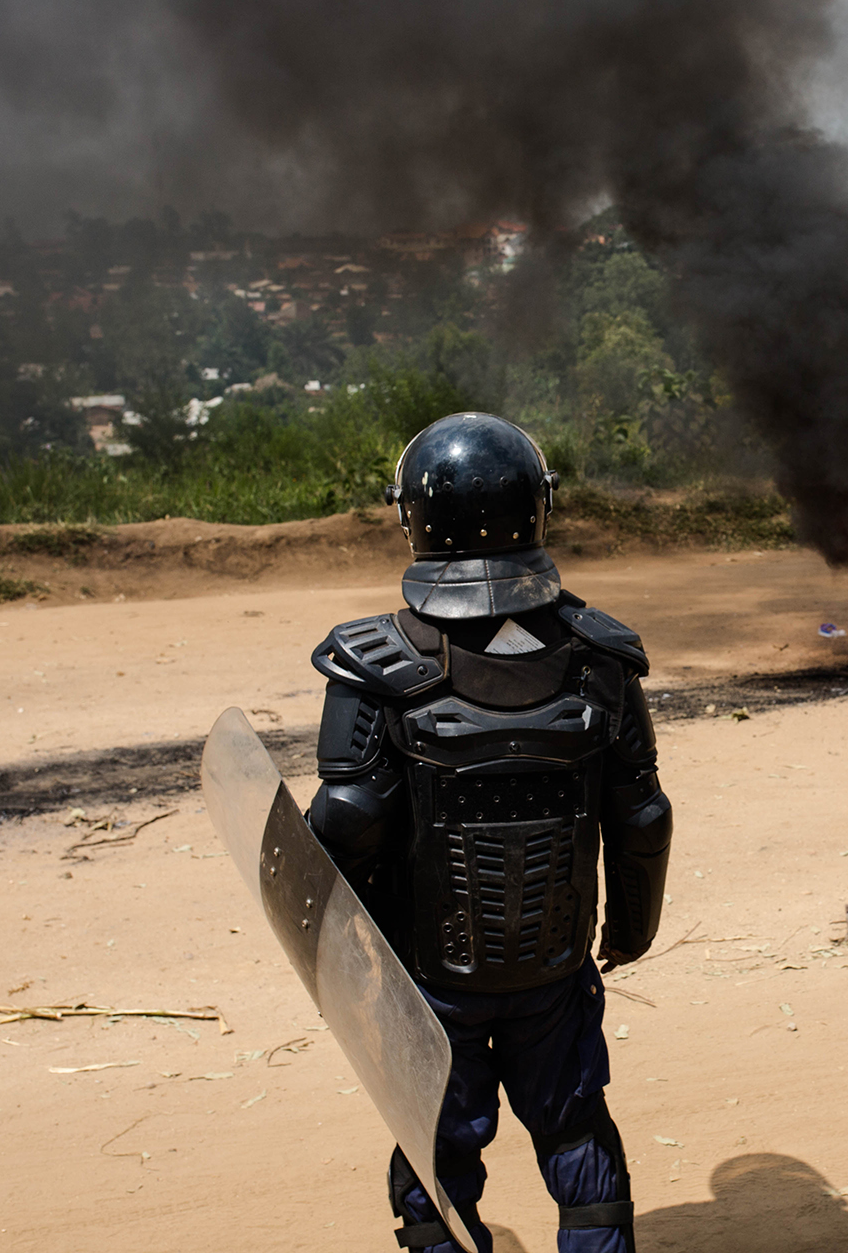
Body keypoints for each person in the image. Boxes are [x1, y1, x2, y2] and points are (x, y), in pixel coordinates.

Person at [306, 412, 673, 1253]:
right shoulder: (600, 655)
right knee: (577, 1134)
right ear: (539, 506)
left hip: (431, 983)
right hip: (553, 967)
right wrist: (631, 928)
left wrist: (349, 956)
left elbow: (347, 824)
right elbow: (642, 813)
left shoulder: (374, 664)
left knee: (436, 1156)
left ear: (412, 516)